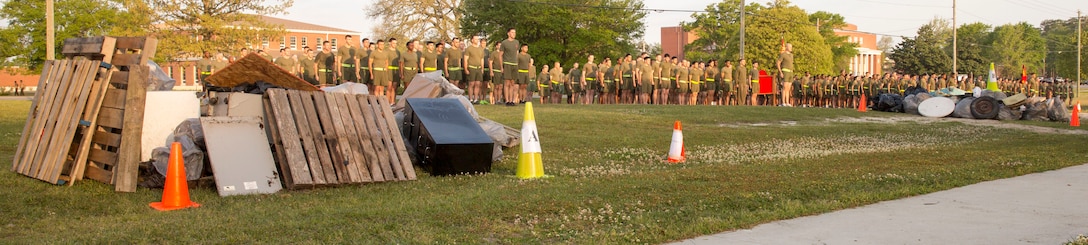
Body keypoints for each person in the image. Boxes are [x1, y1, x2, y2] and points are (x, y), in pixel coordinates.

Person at [499, 28, 521, 106]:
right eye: (512, 32)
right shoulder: (504, 43)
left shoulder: (516, 42)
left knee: (512, 83)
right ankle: (507, 100)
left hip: (514, 64)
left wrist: (517, 63)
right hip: (507, 63)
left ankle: (511, 100)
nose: (514, 34)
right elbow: (500, 55)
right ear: (508, 33)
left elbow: (517, 54)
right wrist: (502, 67)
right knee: (507, 82)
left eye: (515, 32)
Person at [465, 37, 485, 103]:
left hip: (478, 68)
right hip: (471, 67)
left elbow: (482, 59)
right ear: (472, 40)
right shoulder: (468, 49)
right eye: (475, 39)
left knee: (478, 84)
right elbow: (465, 59)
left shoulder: (481, 49)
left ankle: (476, 99)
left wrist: (482, 68)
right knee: (471, 84)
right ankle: (470, 99)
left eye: (478, 39)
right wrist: (466, 69)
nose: (477, 40)